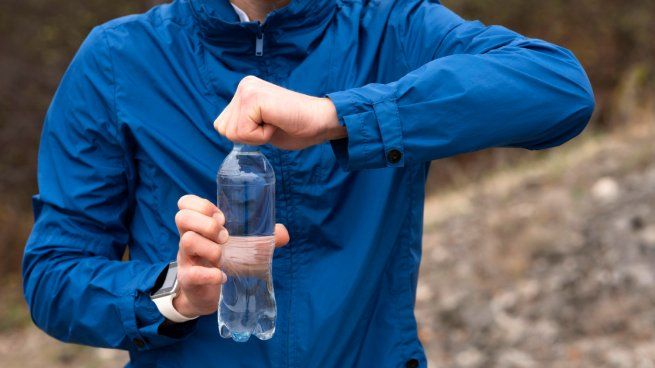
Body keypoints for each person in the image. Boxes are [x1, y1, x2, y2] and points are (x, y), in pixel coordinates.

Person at [22, 0, 594, 367]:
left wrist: (337, 116)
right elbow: (53, 275)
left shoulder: (393, 28)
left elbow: (559, 89)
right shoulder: (118, 60)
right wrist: (175, 293)